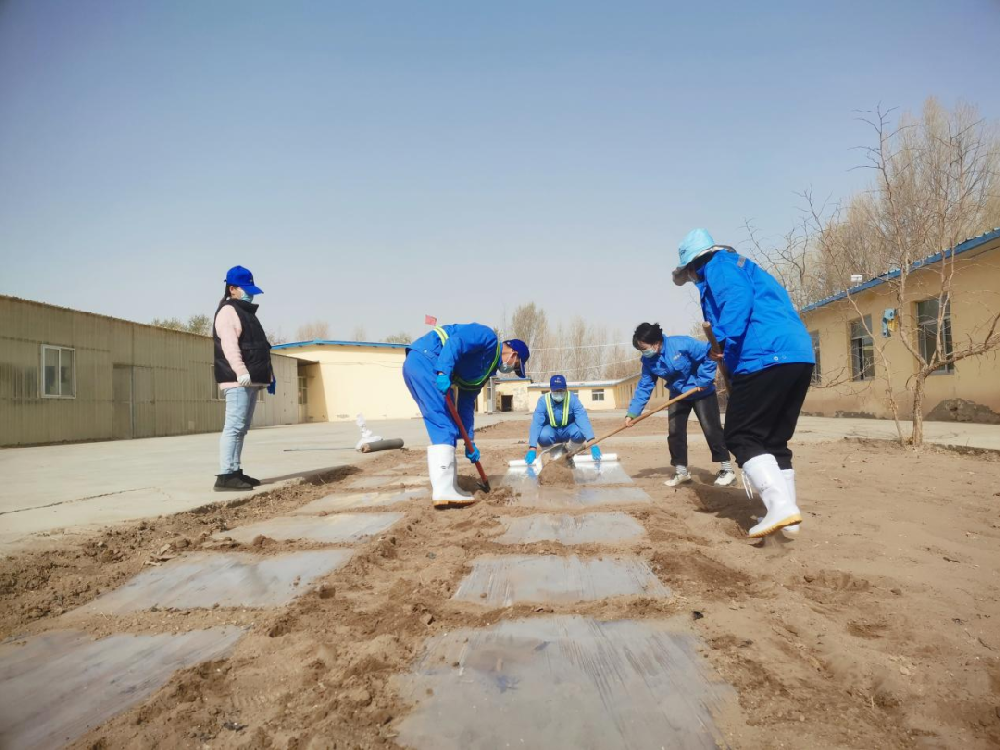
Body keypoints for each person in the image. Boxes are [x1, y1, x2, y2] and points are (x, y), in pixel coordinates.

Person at [673, 228, 815, 537]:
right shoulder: (745, 267)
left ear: (696, 263)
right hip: (797, 355)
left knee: (739, 435)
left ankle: (780, 507)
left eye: (690, 273)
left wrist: (722, 341)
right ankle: (787, 520)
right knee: (773, 441)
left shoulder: (719, 266)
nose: (693, 279)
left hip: (765, 355)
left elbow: (738, 301)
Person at [404, 324, 529, 507]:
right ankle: (443, 490)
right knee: (443, 425)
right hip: (426, 360)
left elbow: (466, 404)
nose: (511, 368)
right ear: (513, 354)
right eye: (515, 365)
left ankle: (449, 486)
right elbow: (456, 342)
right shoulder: (488, 337)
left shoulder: (484, 372)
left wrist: (469, 441)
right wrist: (443, 371)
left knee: (448, 427)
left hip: (423, 365)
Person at [624, 323, 736, 487]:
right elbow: (644, 386)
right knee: (675, 432)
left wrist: (704, 380)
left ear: (656, 342)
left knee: (711, 429)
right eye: (641, 350)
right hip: (678, 395)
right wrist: (632, 413)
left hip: (702, 391)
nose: (644, 352)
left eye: (644, 348)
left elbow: (711, 354)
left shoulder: (682, 344)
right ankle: (681, 471)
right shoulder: (649, 361)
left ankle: (727, 470)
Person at [213, 265, 274, 491]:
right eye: (245, 289)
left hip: (250, 380)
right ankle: (225, 475)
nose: (250, 293)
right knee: (233, 427)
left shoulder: (245, 312)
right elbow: (230, 346)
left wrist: (268, 376)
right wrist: (241, 371)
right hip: (238, 380)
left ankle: (235, 470)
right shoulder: (228, 312)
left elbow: (258, 348)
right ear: (232, 289)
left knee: (241, 428)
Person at [524, 375, 601, 464]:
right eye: (556, 391)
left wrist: (592, 443)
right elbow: (536, 423)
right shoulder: (543, 401)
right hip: (551, 430)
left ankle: (571, 452)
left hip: (569, 429)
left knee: (581, 432)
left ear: (566, 389)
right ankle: (551, 456)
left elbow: (582, 419)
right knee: (542, 436)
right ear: (551, 389)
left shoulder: (573, 399)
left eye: (561, 390)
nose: (558, 393)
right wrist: (532, 447)